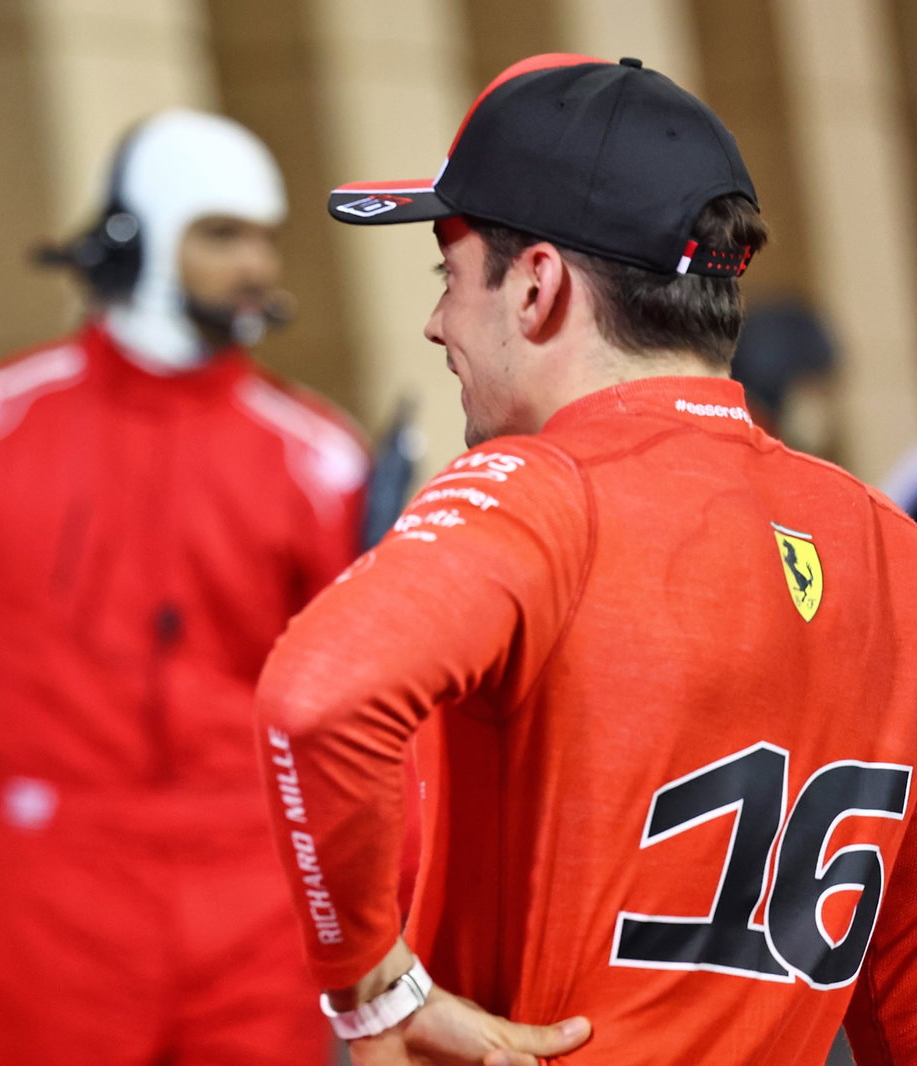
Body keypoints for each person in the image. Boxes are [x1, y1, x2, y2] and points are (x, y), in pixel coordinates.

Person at [257, 53, 917, 1066]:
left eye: (449, 270)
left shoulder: (541, 489)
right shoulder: (887, 543)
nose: (435, 322)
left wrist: (372, 989)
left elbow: (316, 698)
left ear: (536, 287)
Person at [0, 109, 369, 1065]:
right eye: (222, 233)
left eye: (266, 237)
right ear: (136, 234)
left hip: (260, 900)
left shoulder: (321, 456)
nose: (257, 265)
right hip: (57, 895)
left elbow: (381, 708)